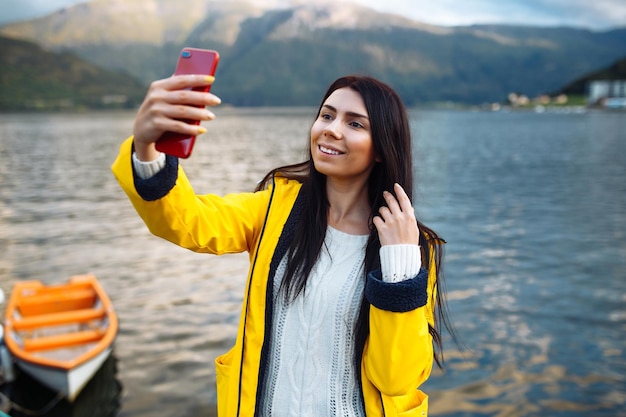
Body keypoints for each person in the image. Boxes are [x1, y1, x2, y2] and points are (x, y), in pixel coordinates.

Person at [112, 73, 450, 416]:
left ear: (382, 148)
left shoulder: (412, 249)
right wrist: (147, 149)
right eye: (327, 115)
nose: (331, 129)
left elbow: (396, 379)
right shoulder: (275, 207)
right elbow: (188, 222)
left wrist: (399, 265)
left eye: (355, 124)